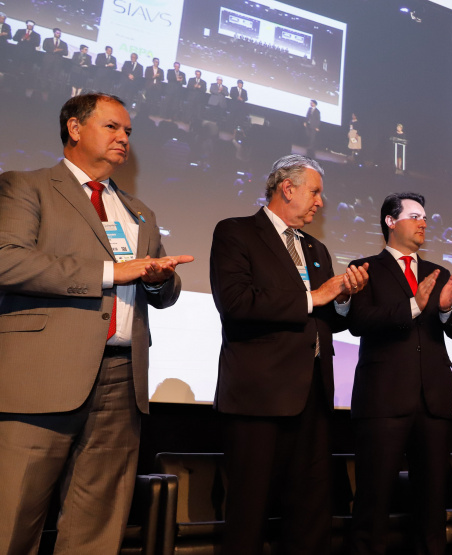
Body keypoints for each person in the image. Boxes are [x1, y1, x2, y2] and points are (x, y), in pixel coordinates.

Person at [0, 92, 193, 554]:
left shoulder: (139, 211)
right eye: (113, 127)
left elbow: (160, 294)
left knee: (98, 526)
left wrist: (159, 280)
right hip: (44, 375)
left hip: (122, 380)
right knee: (13, 520)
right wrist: (111, 273)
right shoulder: (26, 186)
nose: (124, 138)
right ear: (74, 128)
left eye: (128, 131)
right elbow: (7, 262)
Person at [210, 154, 368, 554]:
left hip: (312, 396)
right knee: (249, 513)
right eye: (314, 192)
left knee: (312, 513)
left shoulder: (317, 248)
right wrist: (315, 296)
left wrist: (345, 299)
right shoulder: (236, 233)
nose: (320, 202)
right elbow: (237, 302)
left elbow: (327, 317)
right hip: (258, 396)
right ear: (287, 188)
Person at [348, 192, 452, 555]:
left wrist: (447, 309)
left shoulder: (440, 272)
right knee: (373, 501)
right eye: (414, 216)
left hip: (433, 400)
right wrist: (413, 306)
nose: (423, 222)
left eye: (425, 217)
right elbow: (357, 322)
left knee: (433, 504)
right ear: (390, 221)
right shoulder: (366, 268)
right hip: (383, 398)